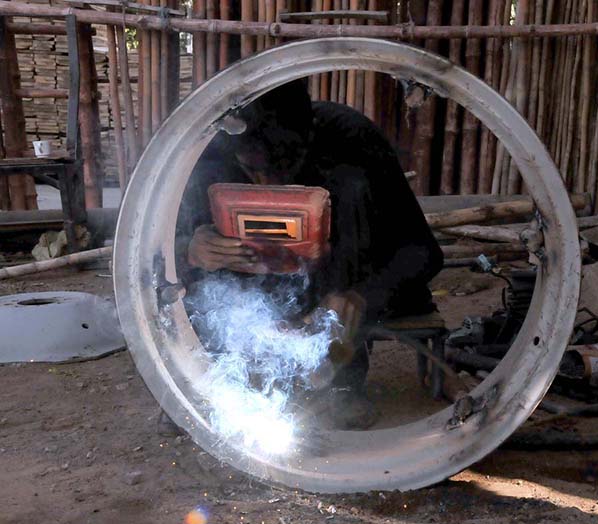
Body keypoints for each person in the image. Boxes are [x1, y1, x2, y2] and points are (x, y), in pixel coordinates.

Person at [167, 80, 443, 431]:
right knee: (201, 296)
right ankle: (211, 379)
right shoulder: (210, 153)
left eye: (281, 167)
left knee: (350, 188)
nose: (268, 185)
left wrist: (361, 294)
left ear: (308, 132)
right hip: (246, 311)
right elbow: (148, 259)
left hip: (331, 297)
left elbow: (423, 253)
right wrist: (189, 249)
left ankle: (342, 381)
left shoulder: (351, 142)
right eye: (255, 171)